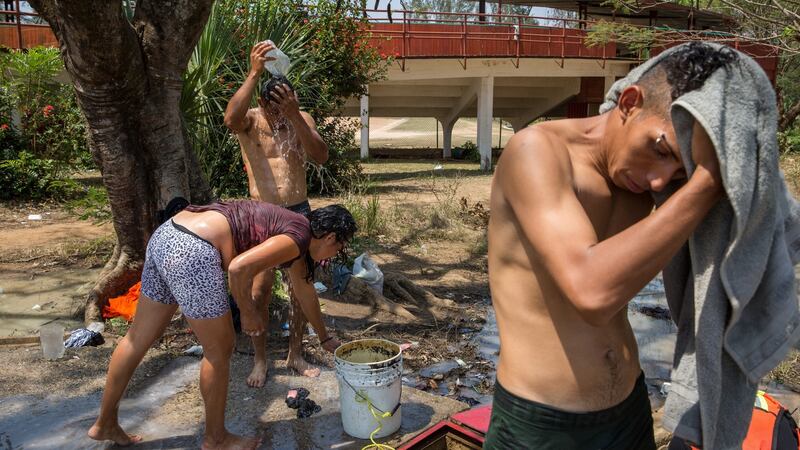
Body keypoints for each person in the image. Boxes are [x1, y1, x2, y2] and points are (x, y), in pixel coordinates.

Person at [484, 43, 737, 449]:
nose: (660, 181)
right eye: (660, 151)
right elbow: (591, 291)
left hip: (630, 408)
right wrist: (707, 183)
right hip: (543, 426)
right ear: (630, 102)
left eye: (678, 171)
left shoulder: (642, 183)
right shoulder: (537, 152)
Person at [87, 202, 355, 449]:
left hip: (167, 235)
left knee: (138, 338)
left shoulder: (296, 232)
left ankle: (105, 423)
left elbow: (305, 292)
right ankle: (216, 438)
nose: (331, 257)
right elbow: (238, 269)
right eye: (337, 249)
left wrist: (324, 338)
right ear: (330, 237)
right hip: (193, 250)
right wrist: (248, 313)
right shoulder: (298, 238)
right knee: (220, 349)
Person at [224, 41, 330, 387]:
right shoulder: (250, 121)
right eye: (274, 107)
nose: (277, 114)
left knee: (301, 288)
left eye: (284, 106)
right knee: (259, 290)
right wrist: (255, 71)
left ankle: (295, 354)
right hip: (262, 215)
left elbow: (320, 156)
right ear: (261, 103)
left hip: (298, 211)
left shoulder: (300, 119)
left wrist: (296, 114)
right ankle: (259, 359)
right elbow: (230, 118)